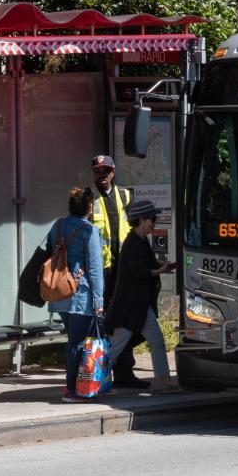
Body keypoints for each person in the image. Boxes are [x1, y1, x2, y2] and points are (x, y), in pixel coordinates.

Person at [88, 154, 148, 389]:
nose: (100, 175)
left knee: (123, 319)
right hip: (100, 269)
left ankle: (124, 372)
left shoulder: (125, 196)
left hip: (123, 268)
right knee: (101, 321)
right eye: (97, 171)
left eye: (105, 171)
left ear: (113, 172)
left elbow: (137, 230)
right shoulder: (88, 196)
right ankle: (99, 373)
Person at [106, 199, 179, 391]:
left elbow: (148, 265)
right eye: (152, 218)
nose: (154, 222)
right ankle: (93, 378)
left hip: (138, 305)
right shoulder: (132, 244)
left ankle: (164, 380)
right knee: (116, 347)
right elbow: (139, 272)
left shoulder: (139, 240)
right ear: (141, 220)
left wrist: (165, 267)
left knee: (155, 340)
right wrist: (160, 270)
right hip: (130, 307)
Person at [46, 188, 104, 403]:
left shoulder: (58, 225)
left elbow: (51, 250)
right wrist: (99, 302)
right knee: (77, 343)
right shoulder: (89, 231)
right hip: (81, 294)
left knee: (74, 340)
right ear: (89, 207)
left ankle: (84, 384)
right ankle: (71, 389)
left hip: (59, 292)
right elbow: (95, 270)